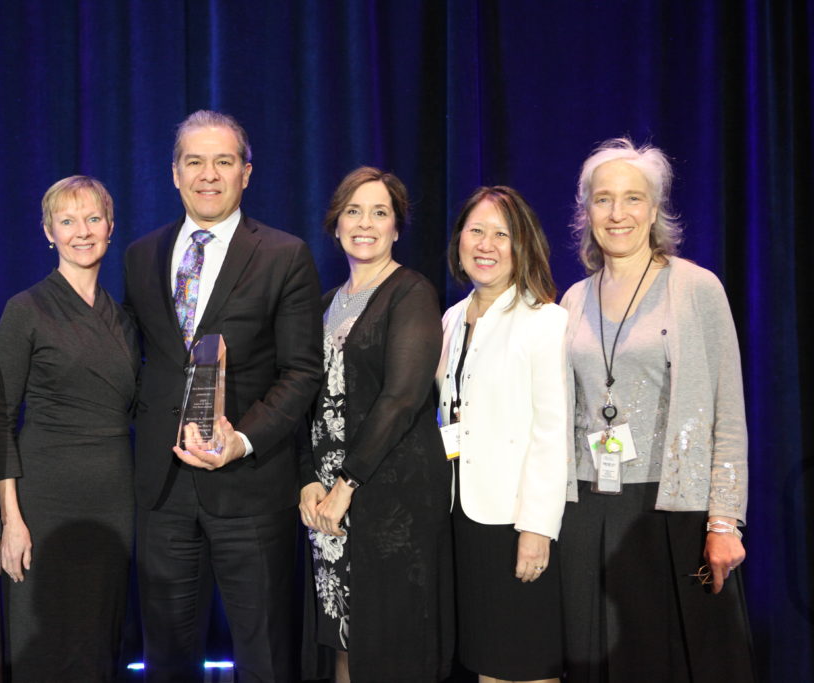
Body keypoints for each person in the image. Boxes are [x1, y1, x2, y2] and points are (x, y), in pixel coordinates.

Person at [122, 110, 323, 683]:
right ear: (174, 174)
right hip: (162, 491)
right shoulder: (140, 256)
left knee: (264, 658)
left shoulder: (284, 254)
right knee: (166, 659)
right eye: (195, 162)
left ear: (246, 173)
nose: (208, 174)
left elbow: (301, 371)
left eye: (223, 161)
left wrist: (242, 440)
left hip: (251, 489)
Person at [560, 138, 755, 682]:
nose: (617, 213)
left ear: (654, 210)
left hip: (672, 511)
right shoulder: (573, 299)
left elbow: (727, 411)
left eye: (633, 198)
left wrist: (724, 520)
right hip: (587, 508)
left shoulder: (695, 287)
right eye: (603, 199)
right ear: (586, 211)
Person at [299, 166, 454, 683]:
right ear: (336, 224)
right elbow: (303, 402)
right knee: (343, 636)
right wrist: (308, 480)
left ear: (396, 227)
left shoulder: (411, 292)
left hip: (391, 498)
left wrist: (346, 484)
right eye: (354, 211)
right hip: (328, 505)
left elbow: (402, 398)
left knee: (391, 643)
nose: (365, 223)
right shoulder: (324, 305)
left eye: (379, 212)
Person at [0, 176, 138, 681]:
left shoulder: (125, 319)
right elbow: (0, 420)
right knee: (46, 645)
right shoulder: (25, 309)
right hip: (46, 501)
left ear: (111, 228)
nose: (82, 231)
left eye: (93, 219)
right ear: (48, 232)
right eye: (68, 221)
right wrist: (11, 520)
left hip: (114, 500)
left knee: (100, 644)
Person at [435, 186, 567, 683]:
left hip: (515, 522)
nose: (486, 245)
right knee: (485, 662)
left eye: (501, 234)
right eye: (476, 231)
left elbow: (552, 432)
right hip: (461, 517)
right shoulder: (451, 319)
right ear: (459, 240)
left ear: (521, 245)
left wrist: (537, 528)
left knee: (524, 662)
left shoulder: (545, 321)